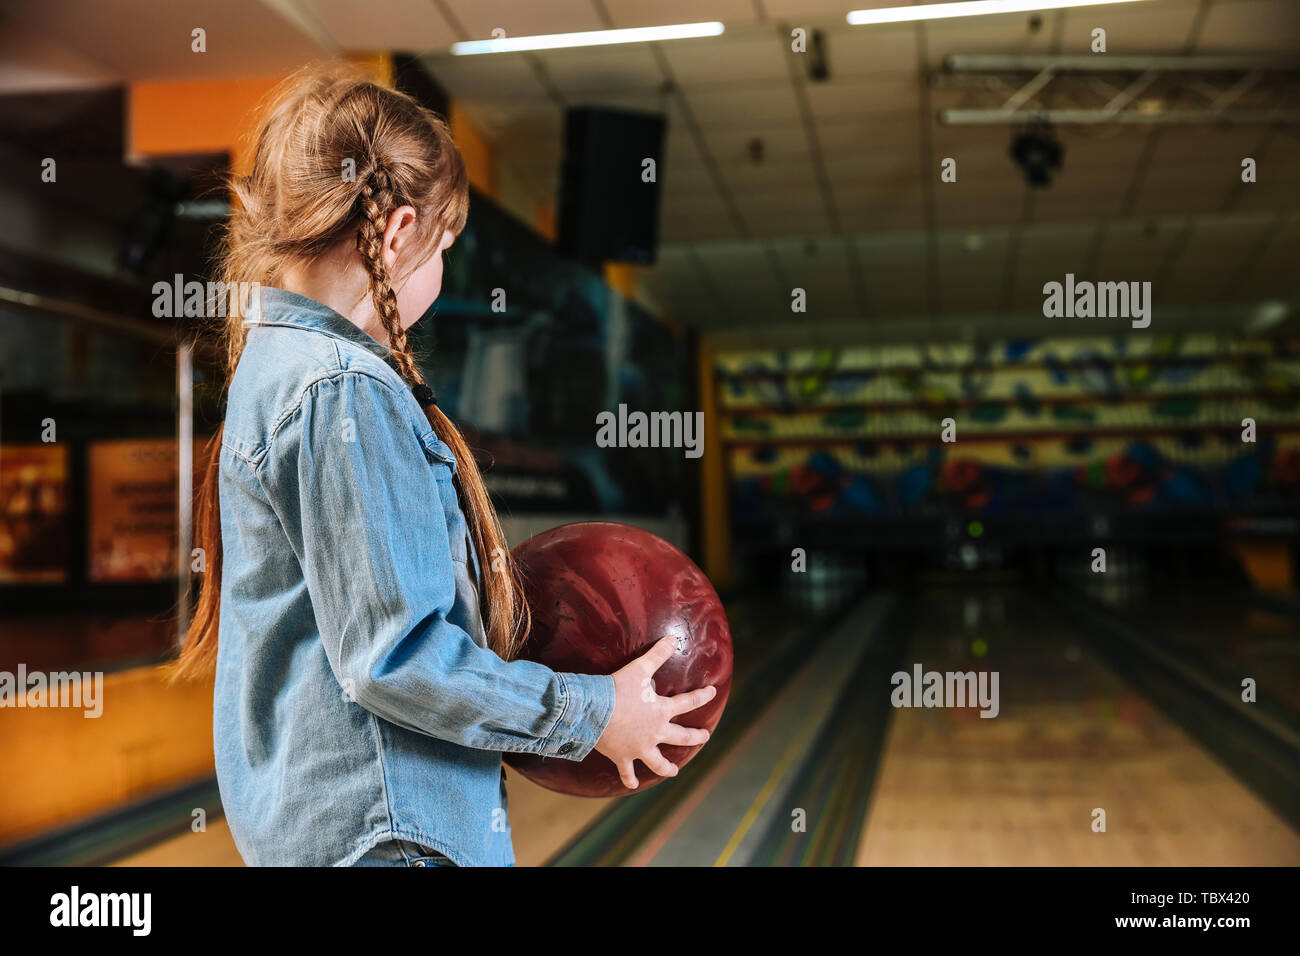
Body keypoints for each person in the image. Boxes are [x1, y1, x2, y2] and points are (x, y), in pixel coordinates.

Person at [169, 64, 716, 867]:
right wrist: (592, 713)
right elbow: (397, 658)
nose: (441, 273)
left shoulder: (272, 367)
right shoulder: (343, 390)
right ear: (395, 234)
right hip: (393, 836)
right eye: (443, 248)